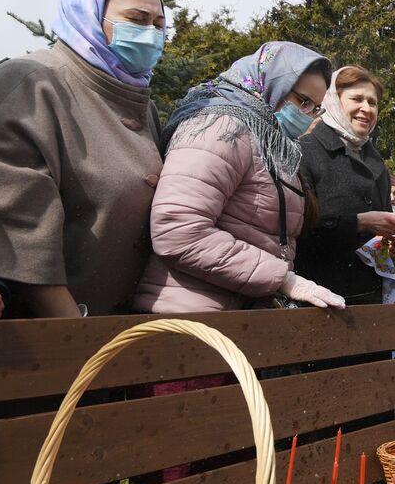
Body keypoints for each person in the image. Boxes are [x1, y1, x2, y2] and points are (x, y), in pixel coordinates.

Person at [0, 0, 165, 317]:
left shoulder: (141, 103)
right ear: (86, 13)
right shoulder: (32, 84)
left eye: (159, 25)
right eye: (136, 19)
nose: (151, 34)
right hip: (46, 342)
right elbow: (23, 235)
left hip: (123, 334)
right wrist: (79, 338)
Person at [134, 41, 344, 312]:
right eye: (302, 101)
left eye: (315, 108)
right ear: (270, 83)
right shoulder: (220, 126)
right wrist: (283, 279)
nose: (306, 115)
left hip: (236, 316)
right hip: (191, 315)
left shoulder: (271, 142)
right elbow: (179, 230)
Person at [296, 66, 395, 305]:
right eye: (357, 99)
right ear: (333, 101)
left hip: (369, 299)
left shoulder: (376, 161)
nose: (366, 108)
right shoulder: (305, 150)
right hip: (317, 298)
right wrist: (360, 222)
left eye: (372, 102)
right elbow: (297, 229)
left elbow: (380, 237)